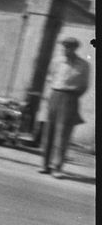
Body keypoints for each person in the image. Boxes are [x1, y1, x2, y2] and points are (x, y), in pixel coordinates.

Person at [39, 37, 91, 178]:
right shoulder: (57, 61)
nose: (65, 49)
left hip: (70, 98)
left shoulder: (83, 65)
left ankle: (57, 167)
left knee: (62, 134)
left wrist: (71, 96)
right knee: (49, 131)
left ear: (75, 48)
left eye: (68, 47)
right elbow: (50, 78)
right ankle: (45, 164)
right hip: (55, 95)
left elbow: (84, 86)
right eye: (63, 47)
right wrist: (51, 95)